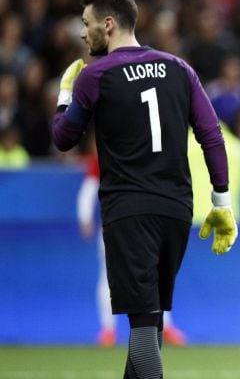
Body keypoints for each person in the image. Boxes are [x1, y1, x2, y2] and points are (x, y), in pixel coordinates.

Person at [51, 0, 238, 379]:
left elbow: (63, 137)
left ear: (109, 24)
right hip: (177, 208)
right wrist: (221, 202)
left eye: (88, 22)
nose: (83, 30)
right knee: (150, 318)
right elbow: (210, 134)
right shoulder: (180, 68)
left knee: (141, 320)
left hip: (129, 210)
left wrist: (65, 90)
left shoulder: (94, 75)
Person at [77, 149, 188, 348]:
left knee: (157, 272)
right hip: (116, 223)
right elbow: (90, 185)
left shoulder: (147, 147)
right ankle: (108, 328)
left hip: (147, 222)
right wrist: (84, 216)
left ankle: (164, 324)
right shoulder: (107, 150)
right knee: (110, 274)